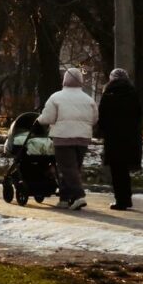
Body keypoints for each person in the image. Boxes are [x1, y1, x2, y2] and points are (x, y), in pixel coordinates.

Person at [36, 67, 98, 210]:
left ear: (65, 80)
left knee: (67, 168)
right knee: (74, 169)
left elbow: (48, 118)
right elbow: (94, 119)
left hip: (63, 137)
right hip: (83, 138)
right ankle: (64, 199)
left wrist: (39, 120)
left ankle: (78, 196)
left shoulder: (56, 97)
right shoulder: (88, 99)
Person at [98, 68, 142, 210]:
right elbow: (138, 115)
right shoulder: (133, 93)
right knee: (124, 171)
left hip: (113, 139)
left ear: (112, 79)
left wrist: (101, 132)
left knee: (117, 171)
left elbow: (102, 117)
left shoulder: (108, 94)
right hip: (130, 139)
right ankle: (126, 199)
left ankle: (121, 201)